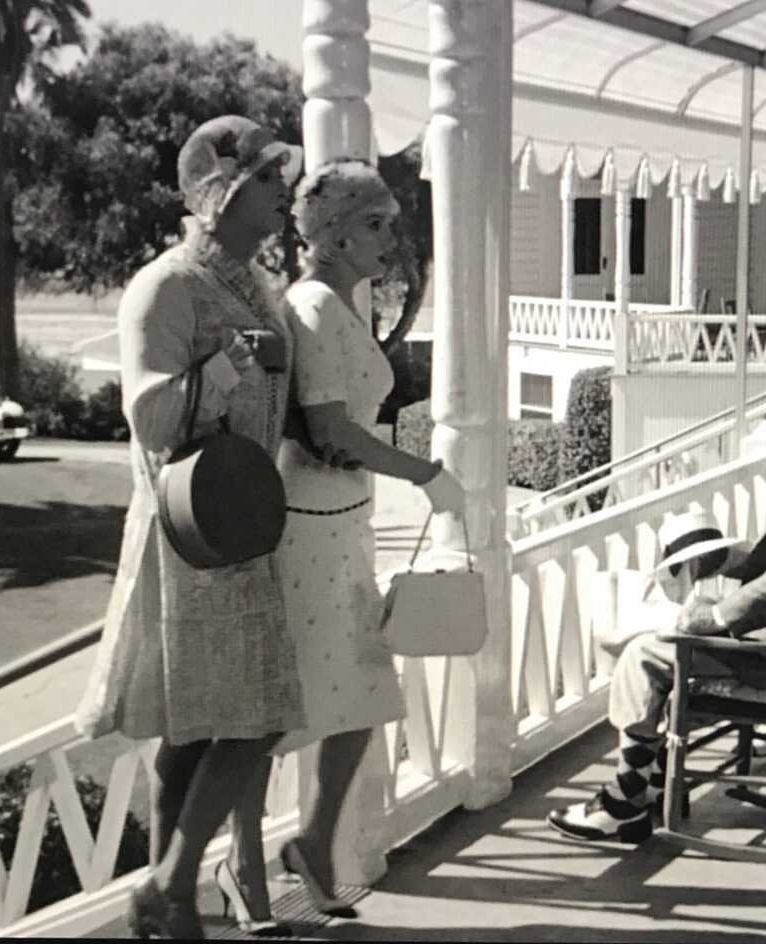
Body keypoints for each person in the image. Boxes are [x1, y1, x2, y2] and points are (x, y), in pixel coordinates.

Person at [74, 115, 305, 940]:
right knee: (252, 716)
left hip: (245, 524)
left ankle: (165, 902)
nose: (287, 191)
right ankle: (171, 882)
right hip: (192, 536)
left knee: (201, 731)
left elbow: (282, 402)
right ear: (227, 190)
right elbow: (152, 418)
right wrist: (237, 355)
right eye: (273, 178)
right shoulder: (165, 286)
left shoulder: (259, 287)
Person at [219, 159, 466, 933]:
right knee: (278, 705)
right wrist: (426, 472)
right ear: (331, 233)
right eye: (376, 224)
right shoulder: (317, 306)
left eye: (390, 222)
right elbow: (330, 431)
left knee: (360, 695)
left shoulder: (342, 303)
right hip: (306, 531)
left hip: (343, 527)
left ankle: (315, 848)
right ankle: (246, 867)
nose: (390, 238)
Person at [546, 346, 766, 844]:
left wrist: (720, 617)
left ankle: (625, 801)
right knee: (661, 630)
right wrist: (728, 560)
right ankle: (647, 785)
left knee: (645, 654)